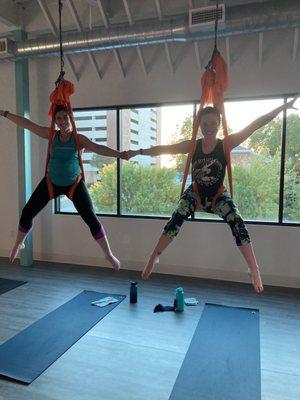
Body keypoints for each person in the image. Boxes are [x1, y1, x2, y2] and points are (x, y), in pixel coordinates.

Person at [123, 97, 298, 293]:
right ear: (199, 126)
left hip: (217, 198)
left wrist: (282, 107)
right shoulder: (192, 146)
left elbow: (255, 124)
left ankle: (254, 268)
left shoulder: (225, 144)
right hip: (196, 195)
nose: (209, 127)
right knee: (176, 217)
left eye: (213, 124)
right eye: (205, 124)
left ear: (219, 124)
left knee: (237, 222)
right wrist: (137, 151)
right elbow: (164, 149)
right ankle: (154, 256)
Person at [0, 105, 126, 269]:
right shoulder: (51, 135)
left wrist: (120, 154)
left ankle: (108, 254)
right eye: (58, 118)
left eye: (65, 117)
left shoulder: (79, 139)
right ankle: (19, 243)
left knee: (91, 218)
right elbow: (28, 125)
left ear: (70, 118)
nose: (62, 121)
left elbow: (98, 148)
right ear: (56, 121)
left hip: (74, 184)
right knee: (27, 212)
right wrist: (5, 113)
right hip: (51, 182)